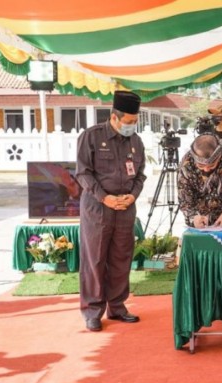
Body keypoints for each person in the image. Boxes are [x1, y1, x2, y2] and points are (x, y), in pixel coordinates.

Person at [76, 90, 147, 332]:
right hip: (98, 209)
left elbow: (140, 176)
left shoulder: (136, 142)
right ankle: (92, 310)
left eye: (135, 121)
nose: (132, 126)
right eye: (128, 122)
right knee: (94, 260)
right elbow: (83, 173)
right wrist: (104, 198)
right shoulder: (92, 137)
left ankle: (117, 306)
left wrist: (133, 195)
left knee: (121, 258)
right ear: (114, 117)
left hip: (125, 209)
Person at [177, 134, 222, 228]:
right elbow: (185, 199)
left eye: (211, 165)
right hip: (202, 222)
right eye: (201, 166)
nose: (206, 169)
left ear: (219, 156)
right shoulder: (186, 164)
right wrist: (193, 217)